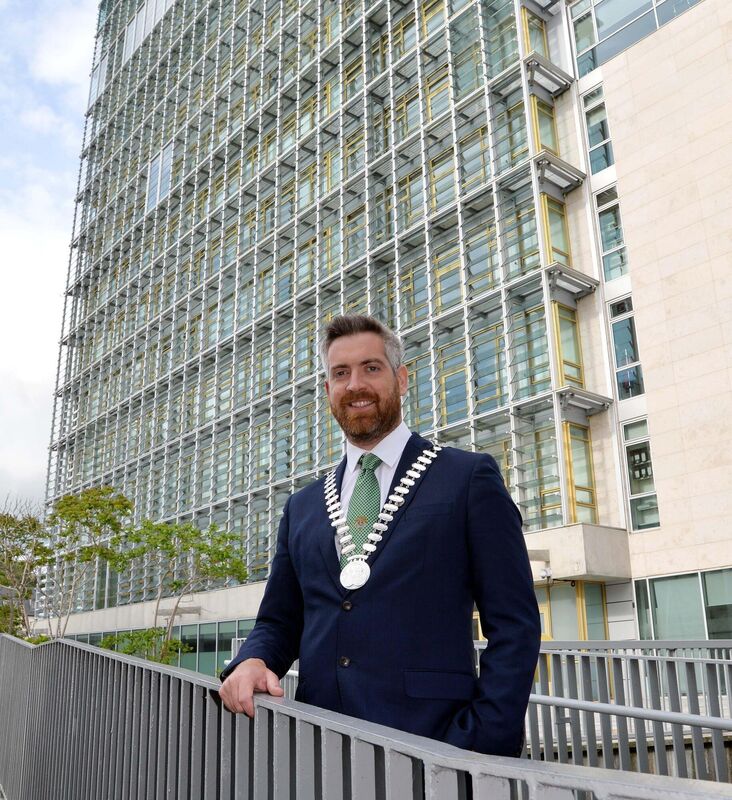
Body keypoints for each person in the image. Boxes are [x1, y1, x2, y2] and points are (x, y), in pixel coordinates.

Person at [219, 314, 540, 756]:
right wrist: (254, 659)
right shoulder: (303, 507)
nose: (355, 385)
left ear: (401, 378)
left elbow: (515, 623)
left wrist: (483, 738)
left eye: (371, 368)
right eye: (340, 373)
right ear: (328, 389)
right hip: (321, 747)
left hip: (436, 747)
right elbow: (281, 619)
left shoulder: (466, 478)